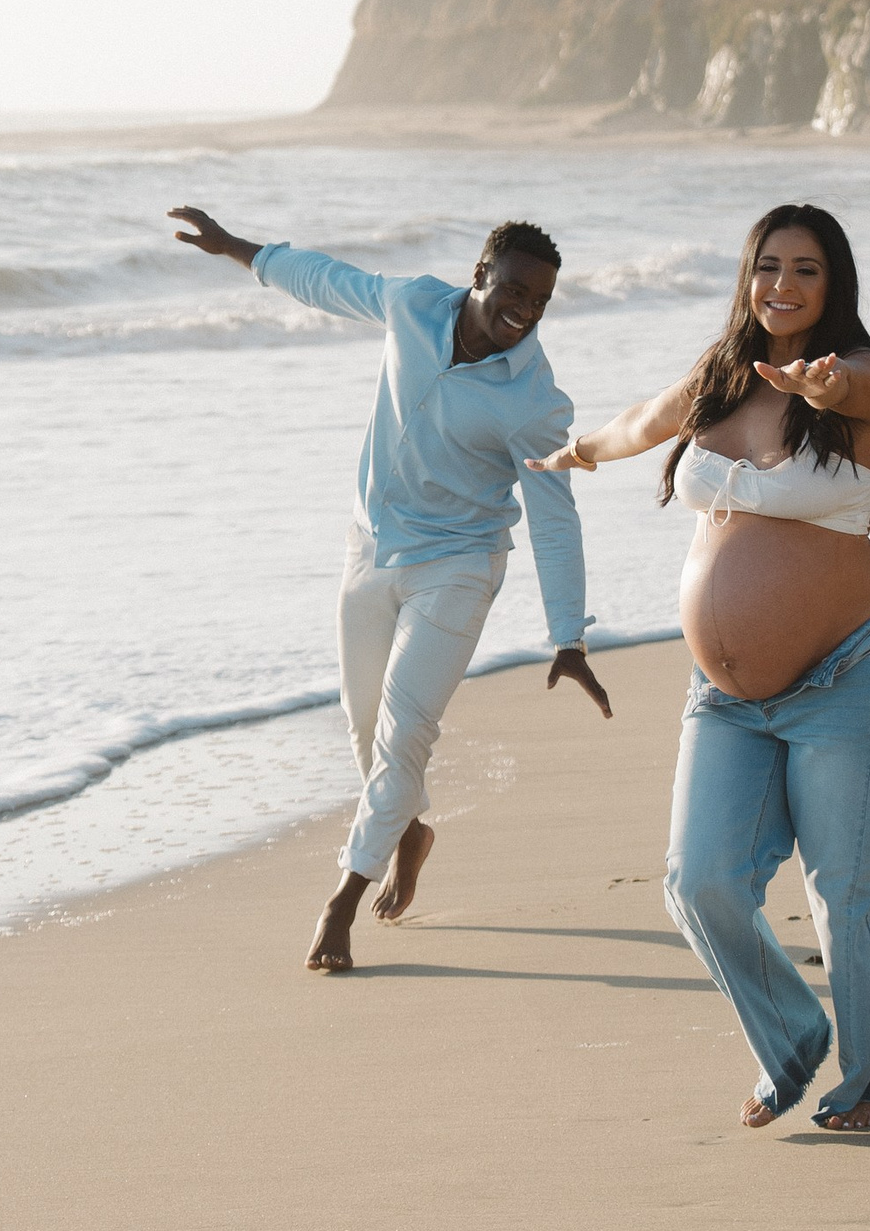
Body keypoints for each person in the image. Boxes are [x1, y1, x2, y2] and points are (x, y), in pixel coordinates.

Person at [533, 202, 870, 1131]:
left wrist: (823, 386)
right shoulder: (721, 378)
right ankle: (794, 1040)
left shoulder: (860, 376)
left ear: (833, 283)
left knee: (843, 889)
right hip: (726, 699)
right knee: (700, 883)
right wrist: (580, 452)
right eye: (768, 266)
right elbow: (644, 421)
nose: (783, 285)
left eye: (806, 269)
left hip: (850, 672)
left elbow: (847, 393)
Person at [168, 201, 613, 972]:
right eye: (513, 290)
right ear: (480, 276)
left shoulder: (534, 402)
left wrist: (568, 635)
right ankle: (409, 831)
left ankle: (342, 899)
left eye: (539, 302)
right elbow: (327, 280)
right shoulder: (412, 304)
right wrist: (236, 247)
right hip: (370, 548)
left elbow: (554, 519)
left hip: (460, 566)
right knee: (365, 727)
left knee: (405, 731)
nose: (523, 311)